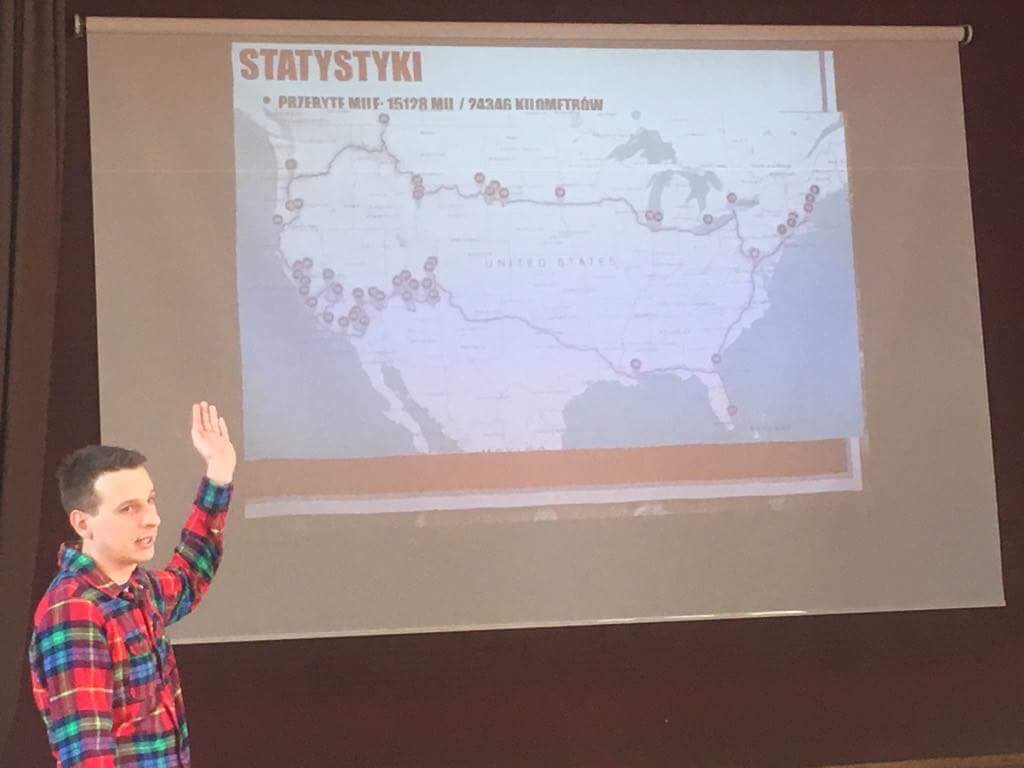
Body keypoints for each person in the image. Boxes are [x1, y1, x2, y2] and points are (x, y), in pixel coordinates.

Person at [28, 402, 236, 768]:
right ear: (82, 523)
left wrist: (219, 473)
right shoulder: (75, 611)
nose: (151, 519)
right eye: (128, 509)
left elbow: (189, 575)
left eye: (150, 501)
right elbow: (88, 754)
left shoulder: (138, 590)